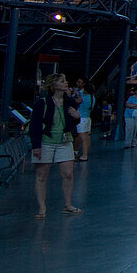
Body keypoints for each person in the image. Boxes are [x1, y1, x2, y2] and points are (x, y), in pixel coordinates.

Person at [29, 73, 82, 218]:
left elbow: (72, 121)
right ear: (54, 86)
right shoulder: (42, 103)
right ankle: (42, 208)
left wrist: (77, 118)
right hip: (46, 142)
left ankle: (68, 205)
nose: (66, 83)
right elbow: (35, 125)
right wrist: (36, 146)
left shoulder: (69, 102)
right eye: (62, 81)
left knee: (68, 174)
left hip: (65, 141)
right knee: (41, 175)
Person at [74, 79, 95, 161]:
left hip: (81, 118)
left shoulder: (82, 96)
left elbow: (76, 100)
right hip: (88, 118)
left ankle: (84, 155)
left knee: (82, 138)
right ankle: (79, 152)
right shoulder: (92, 97)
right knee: (85, 137)